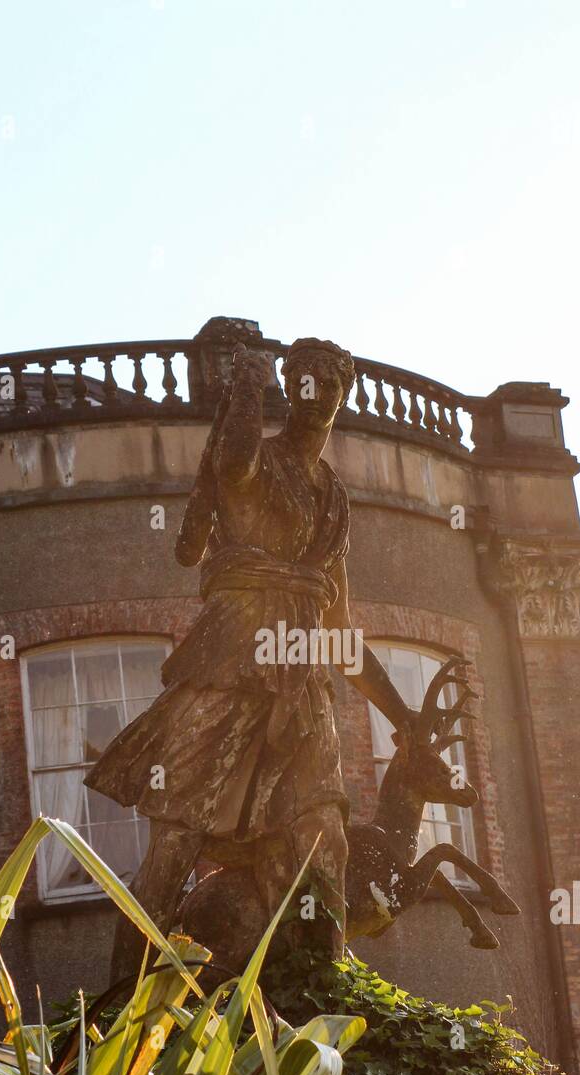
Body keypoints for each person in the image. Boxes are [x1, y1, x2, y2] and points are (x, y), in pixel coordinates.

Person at [85, 336, 417, 979]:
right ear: (291, 390)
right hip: (233, 658)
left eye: (333, 383)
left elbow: (340, 631)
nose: (320, 395)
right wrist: (243, 386)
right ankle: (119, 1003)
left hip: (303, 680)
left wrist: (401, 715)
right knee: (177, 839)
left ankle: (328, 996)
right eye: (307, 380)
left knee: (325, 835)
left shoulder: (334, 497)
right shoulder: (259, 461)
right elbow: (232, 467)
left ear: (342, 395)